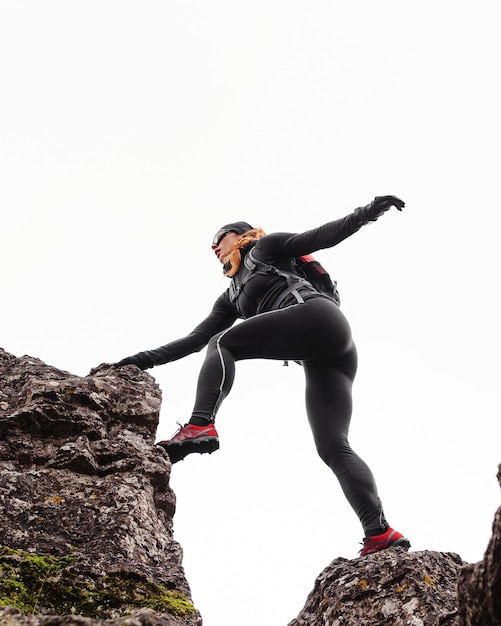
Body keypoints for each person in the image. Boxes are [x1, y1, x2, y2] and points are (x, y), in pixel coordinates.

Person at [111, 195, 410, 556]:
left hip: (319, 318)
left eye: (219, 238)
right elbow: (194, 341)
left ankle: (200, 425)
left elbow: (322, 235)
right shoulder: (230, 298)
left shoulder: (266, 249)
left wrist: (368, 212)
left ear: (240, 236)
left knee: (225, 344)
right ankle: (379, 532)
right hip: (325, 354)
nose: (213, 247)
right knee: (332, 445)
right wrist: (138, 361)